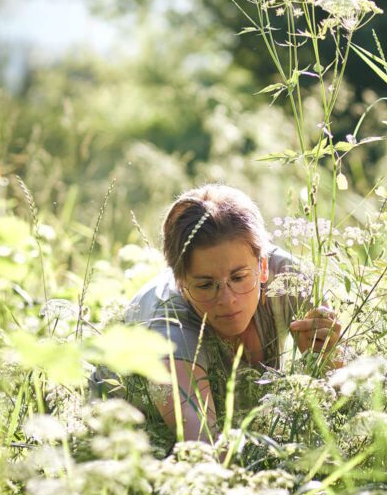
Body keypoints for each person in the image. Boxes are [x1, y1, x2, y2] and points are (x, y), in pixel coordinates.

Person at [120, 184, 341, 448]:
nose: (227, 300)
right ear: (181, 283)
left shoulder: (291, 281)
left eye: (238, 277)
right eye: (205, 285)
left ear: (262, 267)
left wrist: (327, 360)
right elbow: (204, 449)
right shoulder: (169, 326)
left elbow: (349, 401)